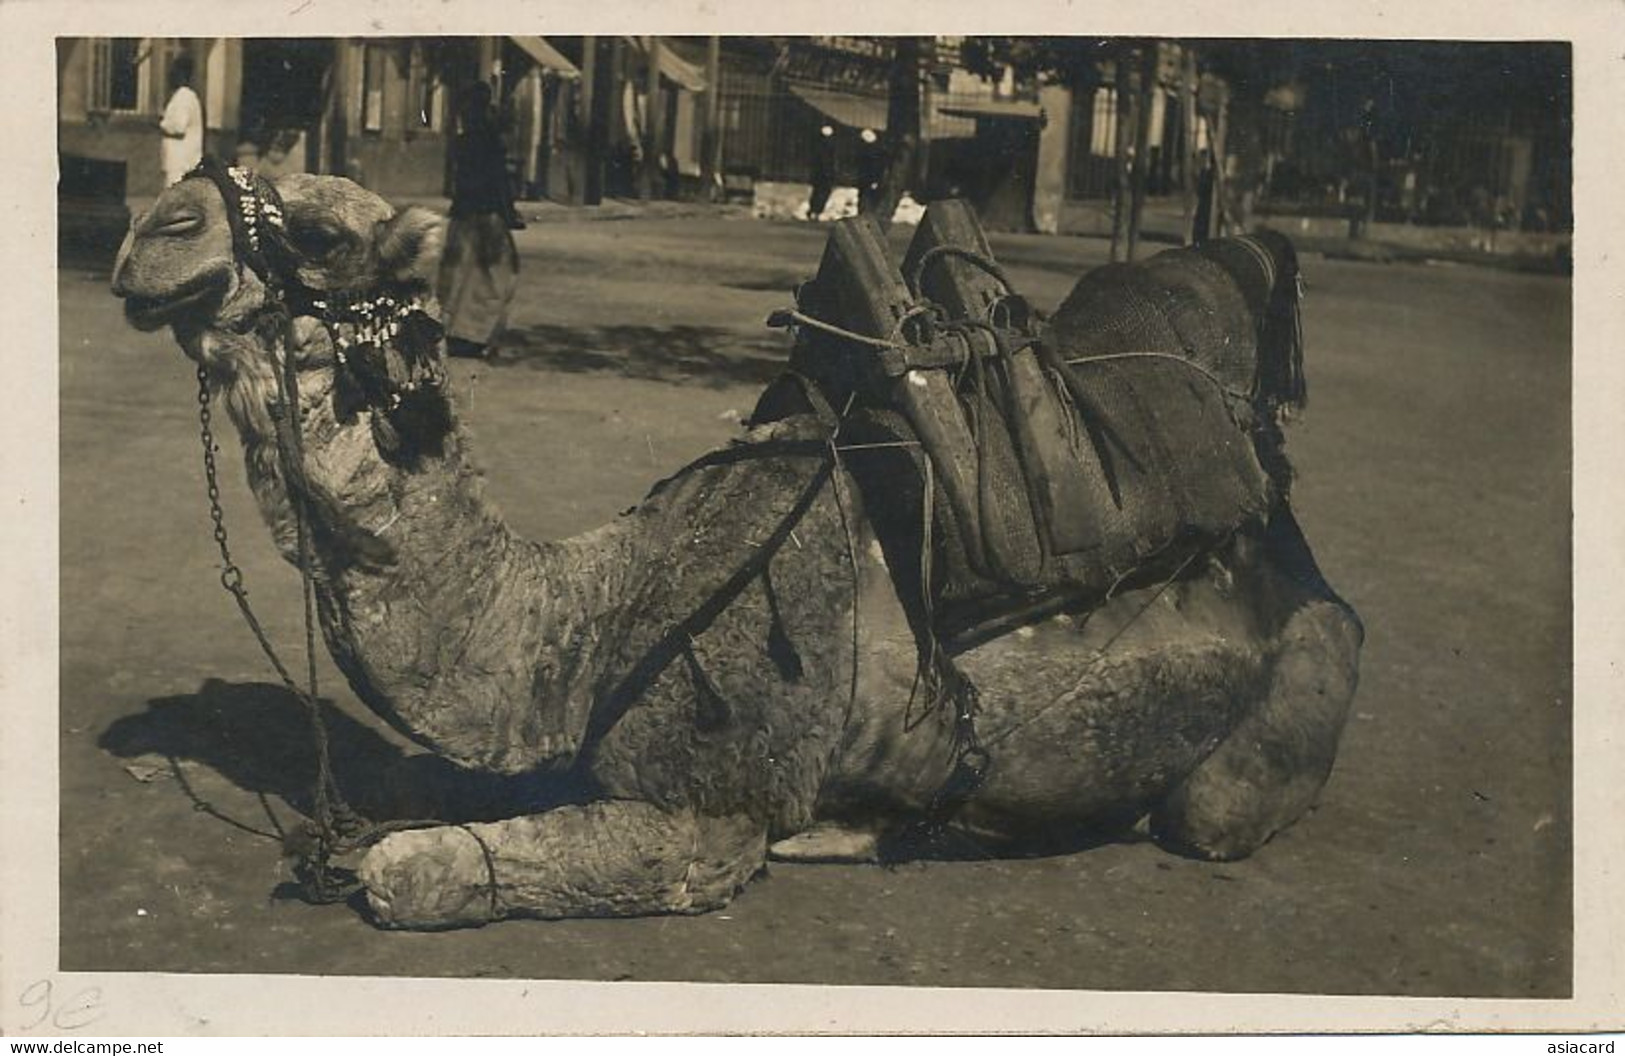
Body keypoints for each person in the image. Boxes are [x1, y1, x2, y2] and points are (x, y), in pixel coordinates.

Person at [437, 82, 524, 360]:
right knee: (496, 275)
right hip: (486, 217)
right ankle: (476, 334)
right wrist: (509, 213)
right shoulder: (490, 142)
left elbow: (456, 184)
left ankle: (454, 332)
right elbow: (499, 182)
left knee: (459, 275)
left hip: (464, 216)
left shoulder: (463, 143)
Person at [158, 55, 203, 187]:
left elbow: (178, 128)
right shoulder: (185, 96)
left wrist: (161, 126)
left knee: (176, 199)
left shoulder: (184, 96)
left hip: (180, 161)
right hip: (180, 161)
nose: (169, 77)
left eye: (174, 72)